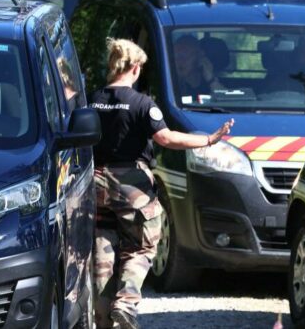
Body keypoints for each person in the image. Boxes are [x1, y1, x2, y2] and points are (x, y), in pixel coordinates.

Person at [90, 38, 234, 329]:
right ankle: (126, 302)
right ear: (135, 67)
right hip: (131, 185)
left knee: (102, 251)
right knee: (141, 247)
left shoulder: (93, 99)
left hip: (94, 184)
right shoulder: (142, 103)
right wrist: (208, 139)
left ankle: (103, 319)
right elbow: (166, 138)